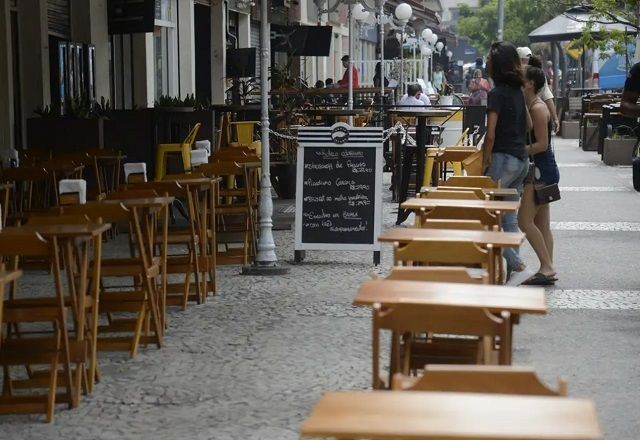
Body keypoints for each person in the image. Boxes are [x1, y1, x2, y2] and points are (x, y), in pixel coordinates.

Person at [483, 41, 529, 276]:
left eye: (489, 60)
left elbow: (490, 135)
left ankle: (513, 260)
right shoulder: (518, 91)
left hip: (504, 160)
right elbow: (528, 124)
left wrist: (484, 162)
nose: (486, 63)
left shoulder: (496, 94)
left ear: (496, 66)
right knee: (509, 217)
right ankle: (514, 268)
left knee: (487, 213)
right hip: (521, 161)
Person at [519, 65, 560, 285]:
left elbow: (542, 144)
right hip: (545, 170)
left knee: (524, 220)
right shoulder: (534, 105)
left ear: (530, 83)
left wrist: (518, 150)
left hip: (540, 171)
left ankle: (547, 267)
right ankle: (548, 267)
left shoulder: (537, 107)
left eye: (521, 77)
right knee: (542, 224)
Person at [517, 47, 560, 133]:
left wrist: (555, 118)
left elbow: (547, 96)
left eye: (528, 59)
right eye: (525, 60)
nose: (527, 62)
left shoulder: (538, 75)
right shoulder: (516, 76)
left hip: (536, 115)